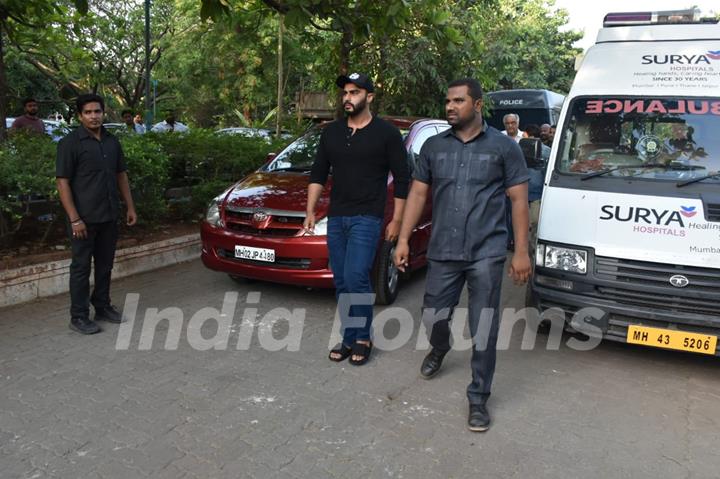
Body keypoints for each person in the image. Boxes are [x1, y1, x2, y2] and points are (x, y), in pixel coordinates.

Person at [393, 78, 531, 432]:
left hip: (487, 251)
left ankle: (478, 398)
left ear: (478, 105)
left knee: (483, 327)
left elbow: (518, 201)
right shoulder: (434, 147)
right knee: (432, 315)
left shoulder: (504, 148)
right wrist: (404, 240)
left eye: (458, 101)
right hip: (443, 251)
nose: (450, 107)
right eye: (448, 101)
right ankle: (440, 347)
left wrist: (522, 253)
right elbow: (419, 195)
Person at [304, 72, 409, 366]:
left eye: (354, 93)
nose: (347, 98)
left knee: (357, 277)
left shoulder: (386, 134)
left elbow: (402, 180)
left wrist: (397, 221)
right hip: (337, 216)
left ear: (369, 97)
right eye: (345, 93)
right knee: (341, 280)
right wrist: (311, 210)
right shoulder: (332, 132)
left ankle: (362, 337)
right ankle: (349, 338)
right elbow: (318, 173)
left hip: (368, 216)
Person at [56, 94, 137, 335]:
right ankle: (78, 316)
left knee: (105, 265)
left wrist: (130, 207)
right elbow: (62, 183)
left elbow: (120, 175)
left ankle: (102, 306)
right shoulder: (70, 143)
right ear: (80, 116)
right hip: (83, 219)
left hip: (109, 216)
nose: (94, 116)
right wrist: (74, 218)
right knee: (81, 268)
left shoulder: (112, 142)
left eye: (97, 111)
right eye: (88, 112)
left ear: (103, 113)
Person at [523, 124, 551, 245]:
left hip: (533, 195)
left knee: (532, 225)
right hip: (533, 195)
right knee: (533, 227)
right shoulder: (547, 151)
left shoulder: (544, 151)